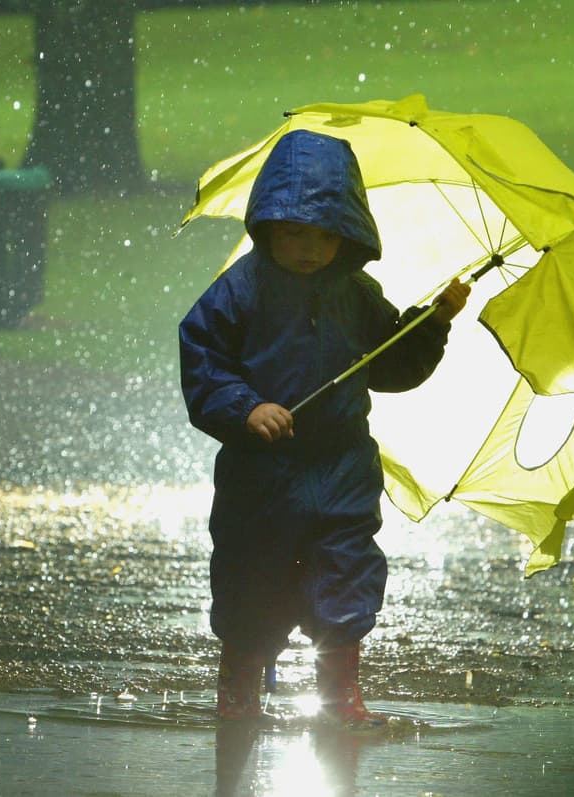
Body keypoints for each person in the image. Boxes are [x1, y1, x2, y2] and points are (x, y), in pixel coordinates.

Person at [178, 129, 470, 728]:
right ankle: (238, 694)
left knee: (346, 574)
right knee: (251, 578)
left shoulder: (356, 293)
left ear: (348, 232)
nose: (310, 249)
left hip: (341, 467)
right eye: (294, 233)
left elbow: (391, 365)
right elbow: (203, 357)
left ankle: (341, 697)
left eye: (324, 235)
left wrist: (432, 323)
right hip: (262, 474)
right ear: (267, 227)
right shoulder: (241, 291)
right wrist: (245, 407)